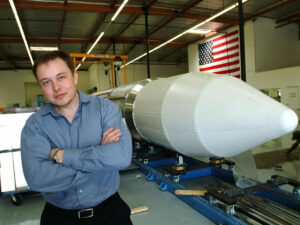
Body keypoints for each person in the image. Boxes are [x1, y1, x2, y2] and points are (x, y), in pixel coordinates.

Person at [21, 51, 133, 225]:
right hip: (59, 217)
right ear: (41, 86)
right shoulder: (35, 126)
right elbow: (36, 178)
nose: (56, 87)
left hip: (110, 213)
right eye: (46, 82)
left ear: (74, 77)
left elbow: (121, 157)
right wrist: (100, 158)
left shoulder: (105, 109)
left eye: (61, 77)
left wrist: (61, 156)